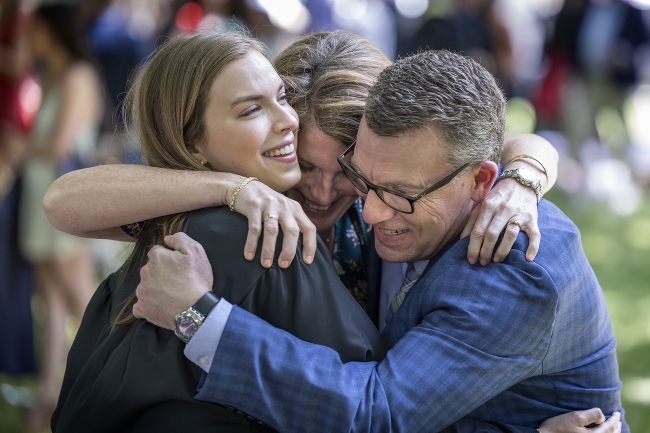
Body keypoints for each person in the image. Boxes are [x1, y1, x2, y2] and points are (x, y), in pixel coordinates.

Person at [47, 30, 610, 433]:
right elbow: (64, 203)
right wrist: (230, 188)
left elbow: (385, 406)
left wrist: (525, 174)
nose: (321, 195)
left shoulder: (436, 220)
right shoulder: (251, 216)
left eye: (348, 173)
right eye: (304, 169)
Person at [17, 4, 103, 430]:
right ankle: (49, 391)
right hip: (40, 197)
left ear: (50, 32)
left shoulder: (76, 76)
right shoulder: (51, 76)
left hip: (64, 200)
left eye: (34, 32)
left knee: (81, 300)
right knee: (49, 299)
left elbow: (60, 145)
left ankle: (115, 385)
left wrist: (18, 151)